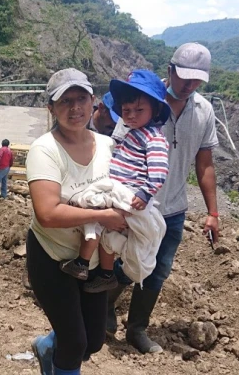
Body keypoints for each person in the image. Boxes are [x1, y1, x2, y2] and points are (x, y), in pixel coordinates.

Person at [108, 42, 220, 353]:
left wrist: (213, 212)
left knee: (158, 270)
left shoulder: (204, 111)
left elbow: (204, 163)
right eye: (184, 77)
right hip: (136, 206)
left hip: (173, 208)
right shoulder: (142, 101)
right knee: (129, 261)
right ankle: (103, 307)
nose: (190, 84)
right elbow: (117, 151)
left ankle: (137, 329)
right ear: (170, 71)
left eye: (197, 80)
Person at [26, 68, 130, 375]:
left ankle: (47, 347)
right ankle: (59, 353)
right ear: (51, 108)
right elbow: (48, 213)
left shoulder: (108, 146)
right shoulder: (45, 149)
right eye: (65, 101)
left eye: (81, 99)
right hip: (52, 257)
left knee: (93, 342)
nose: (75, 108)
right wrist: (102, 216)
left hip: (94, 261)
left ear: (93, 101)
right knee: (74, 344)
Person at [60, 70, 170, 294]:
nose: (131, 116)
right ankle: (106, 274)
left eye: (139, 110)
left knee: (93, 212)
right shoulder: (133, 133)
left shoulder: (154, 138)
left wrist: (146, 192)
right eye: (127, 111)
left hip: (128, 192)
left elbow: (159, 170)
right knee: (105, 230)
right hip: (119, 188)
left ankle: (82, 262)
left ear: (155, 109)